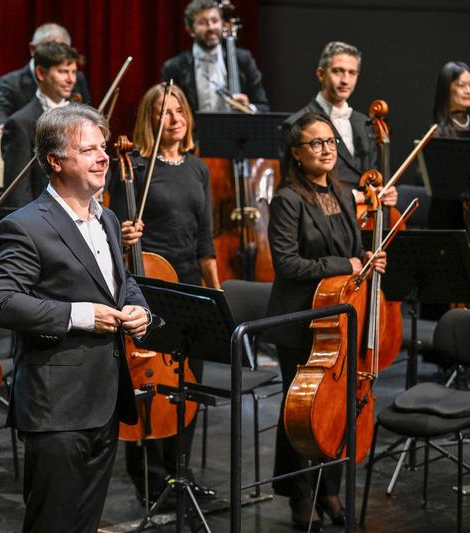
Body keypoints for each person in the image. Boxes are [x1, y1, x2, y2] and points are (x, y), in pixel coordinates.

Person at [0, 104, 150, 532]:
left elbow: (121, 282)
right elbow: (1, 302)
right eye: (88, 150)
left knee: (85, 523)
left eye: (103, 148)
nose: (103, 157)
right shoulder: (25, 226)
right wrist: (80, 315)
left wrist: (139, 309)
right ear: (55, 161)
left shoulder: (108, 218)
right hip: (55, 406)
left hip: (105, 398)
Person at [266, 112, 388, 531]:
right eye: (316, 143)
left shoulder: (341, 192)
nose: (327, 148)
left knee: (337, 410)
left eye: (330, 141)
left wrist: (367, 260)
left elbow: (355, 248)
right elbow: (287, 264)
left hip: (339, 317)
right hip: (301, 318)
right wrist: (347, 262)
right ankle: (299, 495)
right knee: (300, 411)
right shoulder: (287, 199)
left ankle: (330, 491)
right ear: (297, 155)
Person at [108, 83, 218, 506]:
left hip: (190, 286)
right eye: (164, 113)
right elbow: (113, 228)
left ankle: (181, 473)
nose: (174, 120)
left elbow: (205, 240)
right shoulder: (130, 166)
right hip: (149, 284)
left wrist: (216, 287)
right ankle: (149, 479)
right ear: (149, 121)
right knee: (149, 383)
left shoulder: (198, 168)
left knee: (187, 385)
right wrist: (123, 234)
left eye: (179, 111)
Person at [0, 41, 82, 213]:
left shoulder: (80, 117)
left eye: (73, 72)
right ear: (41, 73)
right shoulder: (20, 123)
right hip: (43, 219)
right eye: (62, 72)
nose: (71, 79)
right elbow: (18, 194)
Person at [284, 42, 376, 192]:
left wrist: (382, 192)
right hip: (326, 212)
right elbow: (293, 184)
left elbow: (373, 174)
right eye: (338, 71)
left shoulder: (365, 123)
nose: (345, 80)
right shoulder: (295, 124)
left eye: (352, 73)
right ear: (321, 74)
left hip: (365, 212)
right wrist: (351, 199)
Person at [0, 22, 91, 134]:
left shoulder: (78, 78)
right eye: (50, 50)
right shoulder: (11, 83)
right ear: (32, 49)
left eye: (62, 50)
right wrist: (4, 128)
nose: (71, 79)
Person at [162, 0, 269, 113]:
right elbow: (166, 111)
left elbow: (263, 106)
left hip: (235, 129)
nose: (211, 28)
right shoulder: (174, 67)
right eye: (203, 23)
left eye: (215, 21)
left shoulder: (243, 60)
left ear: (222, 24)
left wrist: (249, 108)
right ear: (190, 29)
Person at [427, 61, 470, 231]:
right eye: (462, 85)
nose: (468, 91)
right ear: (447, 89)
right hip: (448, 215)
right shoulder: (436, 132)